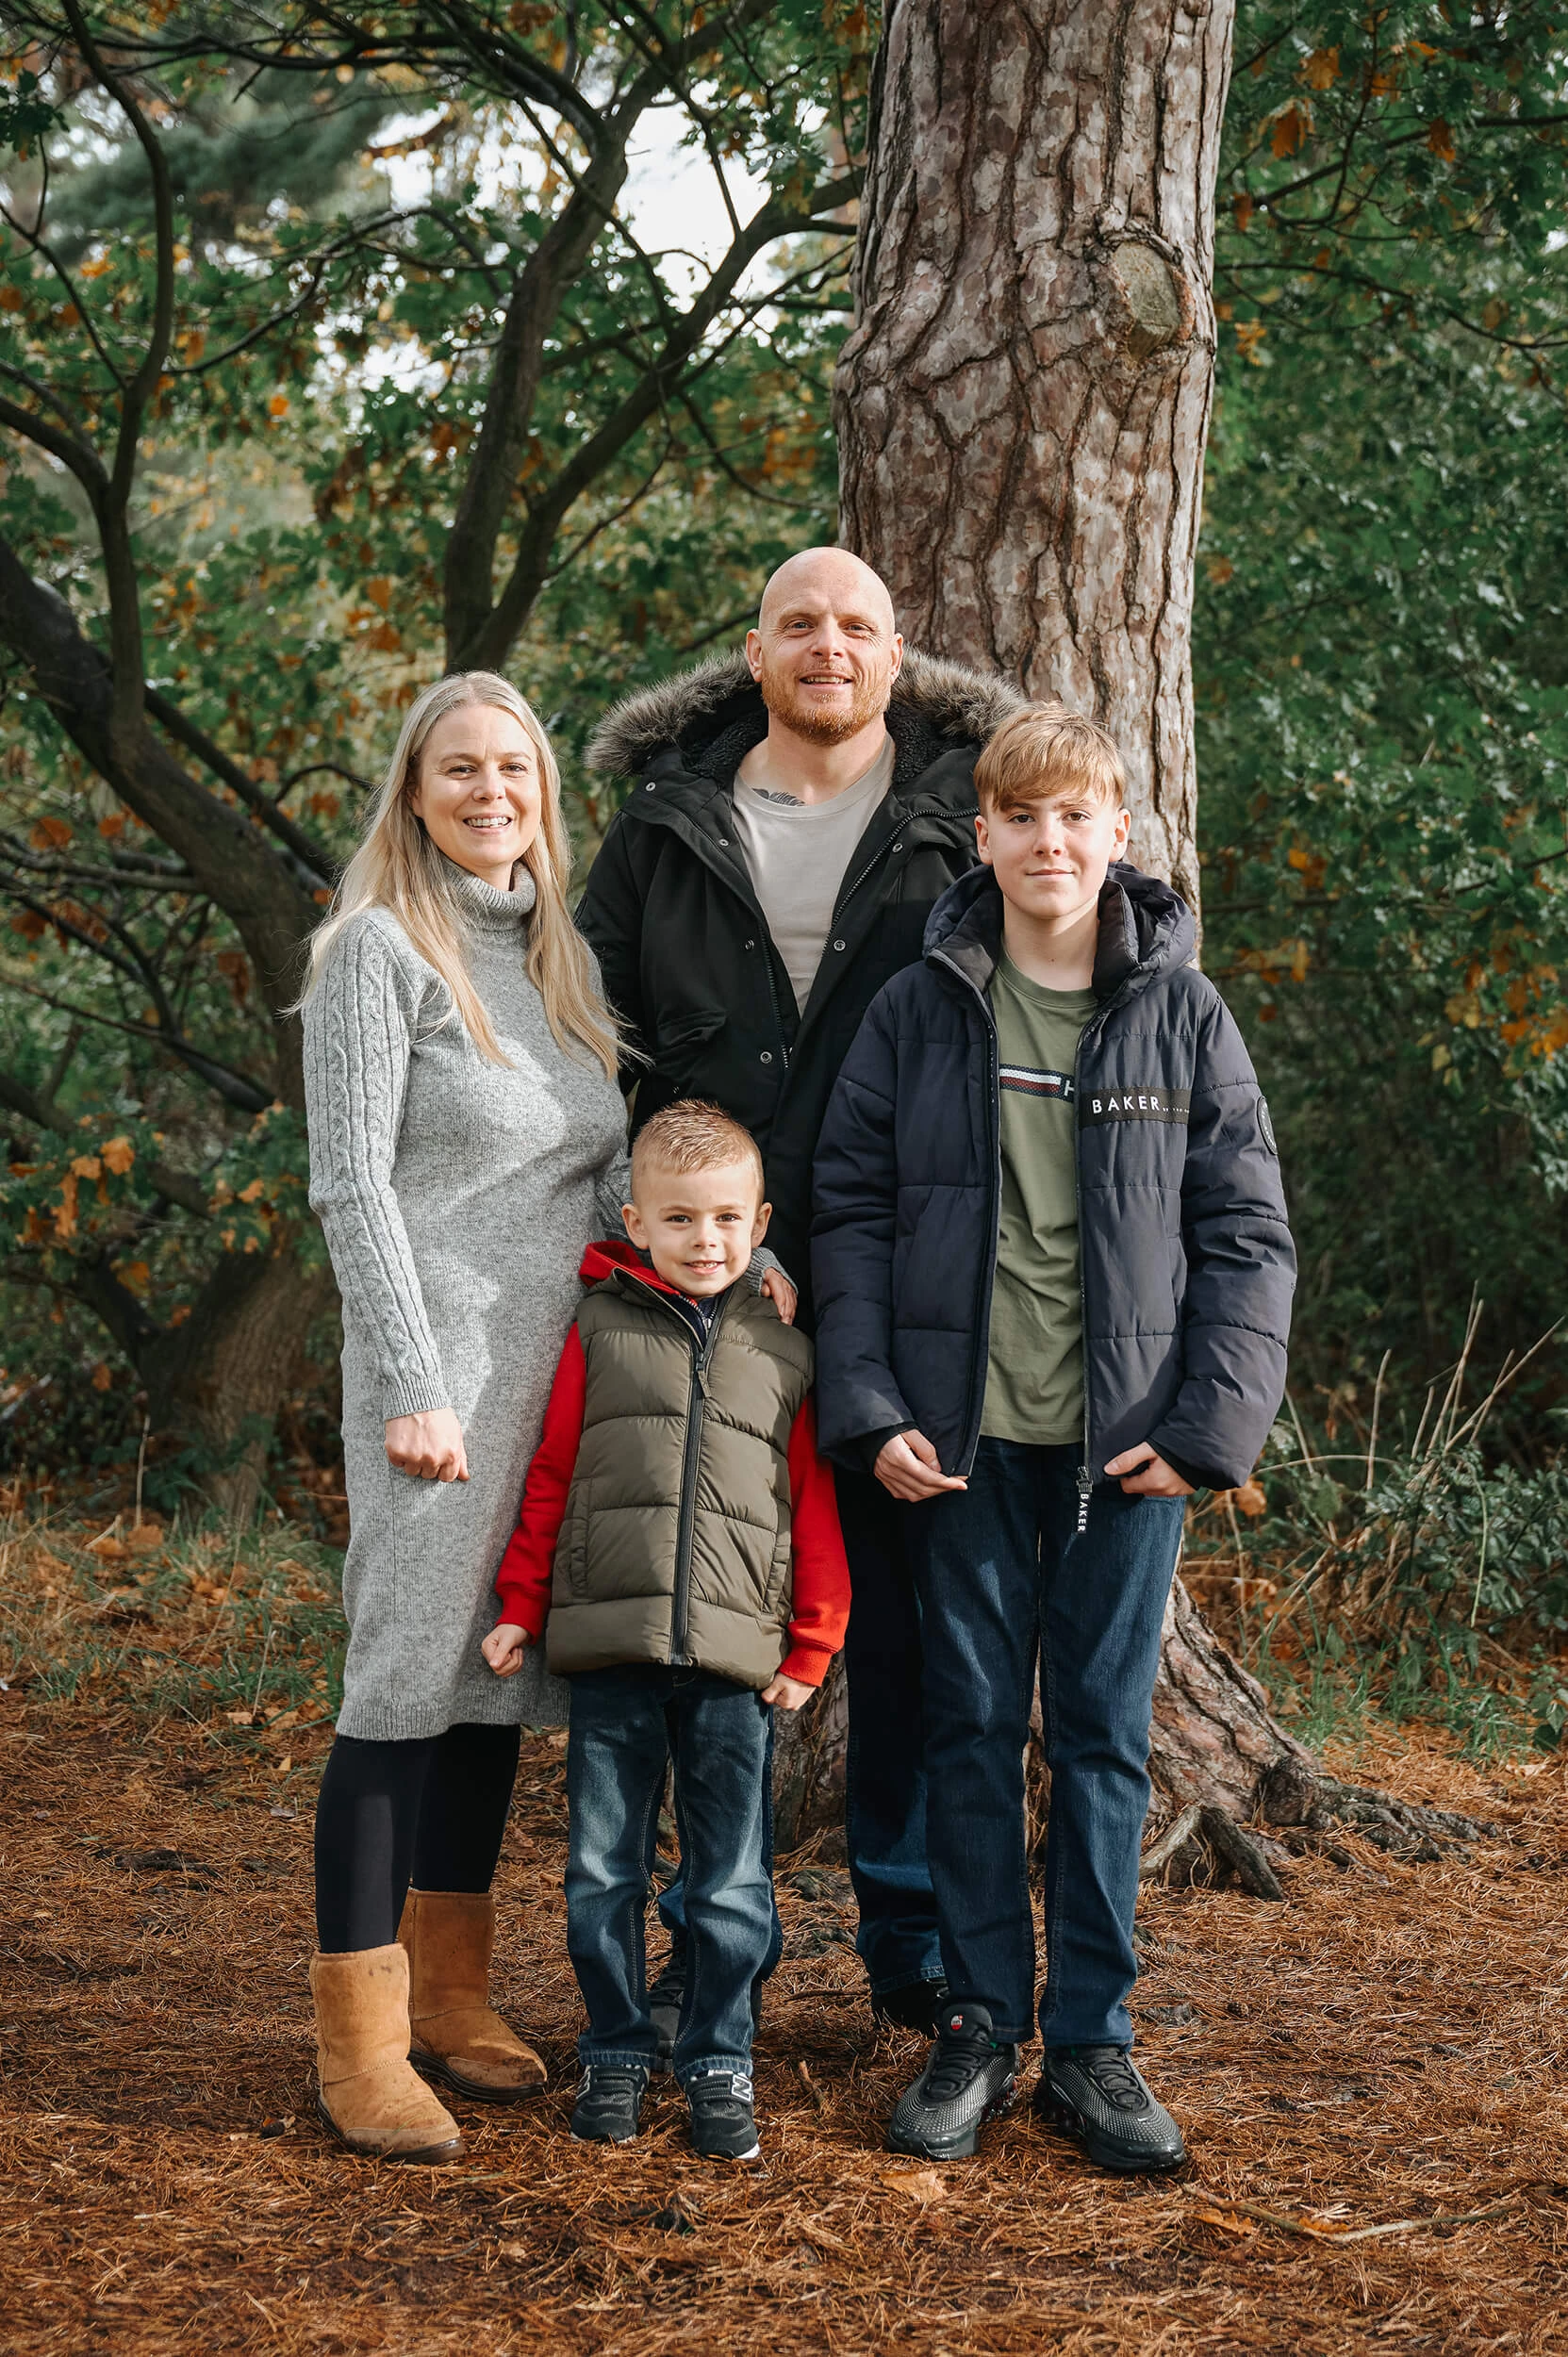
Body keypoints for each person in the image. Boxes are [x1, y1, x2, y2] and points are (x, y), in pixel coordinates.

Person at [299, 672, 790, 2166]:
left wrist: (729, 1259)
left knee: (499, 1689)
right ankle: (361, 2042)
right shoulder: (374, 953)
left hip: (558, 1387)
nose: (490, 792)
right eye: (459, 770)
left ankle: (453, 1997)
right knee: (398, 1696)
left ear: (542, 791)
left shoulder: (561, 960)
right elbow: (352, 1185)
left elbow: (593, 1187)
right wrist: (409, 1381)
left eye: (513, 767)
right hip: (435, 1392)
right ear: (414, 790)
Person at [812, 705, 1296, 2171]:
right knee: (963, 1730)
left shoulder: (1178, 1012)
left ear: (1116, 835)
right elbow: (846, 1213)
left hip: (1123, 1456)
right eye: (1019, 819)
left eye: (1073, 818)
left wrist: (1208, 1429)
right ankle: (974, 2026)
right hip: (953, 1449)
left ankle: (1090, 2047)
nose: (1047, 843)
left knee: (1097, 1740)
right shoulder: (918, 1004)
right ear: (984, 838)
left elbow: (1245, 1233)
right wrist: (871, 1407)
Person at [577, 546, 1020, 2036]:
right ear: (752, 653)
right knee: (696, 1605)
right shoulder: (661, 826)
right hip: (705, 1271)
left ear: (896, 659)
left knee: (904, 1615)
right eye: (797, 626)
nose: (826, 648)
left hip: (909, 1269)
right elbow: (605, 1035)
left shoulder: (963, 816)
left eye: (855, 628)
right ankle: (712, 1939)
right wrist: (689, 1212)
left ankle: (910, 1941)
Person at [483, 1100, 850, 2162]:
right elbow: (552, 1478)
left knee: (730, 1875)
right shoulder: (596, 1326)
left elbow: (809, 1502)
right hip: (612, 1653)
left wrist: (815, 1641)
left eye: (727, 1220)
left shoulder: (784, 1346)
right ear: (636, 1221)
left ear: (760, 1221)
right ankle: (615, 2046)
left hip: (738, 1664)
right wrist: (519, 1605)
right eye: (681, 1219)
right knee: (604, 1867)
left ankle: (718, 2055)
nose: (706, 1241)